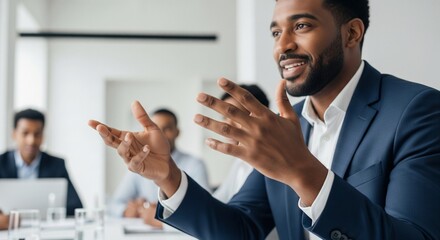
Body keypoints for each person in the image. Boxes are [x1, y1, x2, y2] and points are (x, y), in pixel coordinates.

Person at [89, 0, 440, 239]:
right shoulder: (285, 128)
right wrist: (169, 177)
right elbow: (242, 229)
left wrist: (303, 171)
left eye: (301, 25)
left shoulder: (417, 110)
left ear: (351, 33)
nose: (282, 46)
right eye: (275, 32)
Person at [109, 108, 210, 229]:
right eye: (154, 129)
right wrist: (126, 210)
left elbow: (205, 209)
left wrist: (162, 217)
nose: (160, 134)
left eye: (167, 129)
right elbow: (113, 203)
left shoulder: (195, 164)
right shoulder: (138, 163)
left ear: (177, 132)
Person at [0, 109, 83, 225]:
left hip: (44, 231)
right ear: (14, 134)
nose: (31, 140)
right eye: (25, 133)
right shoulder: (1, 163)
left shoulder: (57, 164)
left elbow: (76, 207)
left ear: (43, 135)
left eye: (37, 134)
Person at [213, 84, 270, 203]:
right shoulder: (239, 161)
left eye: (234, 115)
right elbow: (219, 200)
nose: (226, 125)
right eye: (224, 117)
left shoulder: (272, 159)